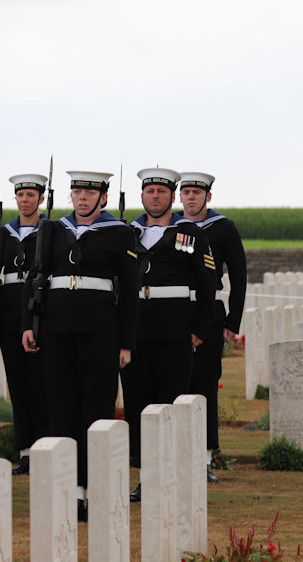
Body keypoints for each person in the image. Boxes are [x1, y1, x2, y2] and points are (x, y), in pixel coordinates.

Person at [21, 171, 138, 522]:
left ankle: (93, 490)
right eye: (77, 192)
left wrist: (127, 343)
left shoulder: (119, 233)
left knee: (95, 412)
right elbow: (34, 277)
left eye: (90, 192)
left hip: (100, 333)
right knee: (61, 410)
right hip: (57, 331)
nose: (82, 198)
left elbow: (130, 292)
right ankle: (69, 491)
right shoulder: (52, 230)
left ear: (103, 197)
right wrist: (29, 325)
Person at [122, 168, 216, 502]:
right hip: (134, 333)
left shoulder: (189, 234)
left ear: (172, 197)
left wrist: (198, 330)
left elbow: (208, 286)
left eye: (162, 191)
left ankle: (174, 477)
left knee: (170, 404)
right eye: (150, 192)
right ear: (142, 196)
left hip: (175, 331)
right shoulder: (126, 233)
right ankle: (147, 477)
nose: (156, 197)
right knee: (138, 406)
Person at [178, 171, 247, 483]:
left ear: (208, 196)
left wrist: (233, 321)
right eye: (186, 192)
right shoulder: (173, 227)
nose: (191, 197)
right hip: (175, 313)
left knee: (205, 384)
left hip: (210, 315)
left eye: (197, 192)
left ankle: (205, 456)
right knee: (175, 384)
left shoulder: (223, 228)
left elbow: (239, 274)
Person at [0, 173, 50, 475]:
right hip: (11, 314)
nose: (25, 201)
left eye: (30, 195)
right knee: (18, 383)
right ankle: (25, 450)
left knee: (40, 383)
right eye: (20, 196)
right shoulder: (4, 233)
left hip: (39, 313)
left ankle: (43, 447)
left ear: (40, 199)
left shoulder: (50, 231)